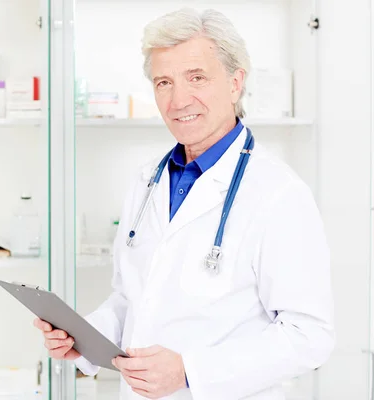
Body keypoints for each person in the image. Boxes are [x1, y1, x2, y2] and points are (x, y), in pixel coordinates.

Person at [34, 7, 334, 400]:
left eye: (196, 78)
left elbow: (310, 336)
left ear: (235, 82)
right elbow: (131, 300)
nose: (178, 100)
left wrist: (189, 372)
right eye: (163, 82)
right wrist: (84, 338)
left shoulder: (278, 193)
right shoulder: (146, 181)